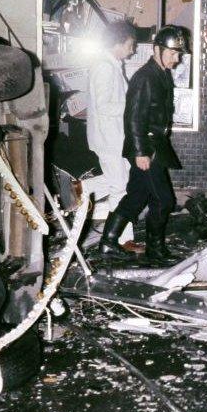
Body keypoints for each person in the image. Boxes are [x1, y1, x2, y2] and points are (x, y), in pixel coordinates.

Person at [98, 25, 190, 264]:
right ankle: (155, 249)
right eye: (173, 53)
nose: (177, 59)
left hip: (153, 145)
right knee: (163, 200)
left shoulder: (160, 74)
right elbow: (134, 117)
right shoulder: (145, 77)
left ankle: (108, 241)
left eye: (179, 54)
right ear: (158, 50)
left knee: (137, 196)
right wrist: (140, 152)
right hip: (146, 147)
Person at [87, 21, 137, 251]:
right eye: (130, 44)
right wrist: (132, 106)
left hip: (115, 138)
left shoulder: (112, 65)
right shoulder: (105, 67)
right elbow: (104, 106)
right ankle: (119, 240)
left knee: (121, 186)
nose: (133, 49)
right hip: (110, 139)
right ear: (119, 41)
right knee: (121, 188)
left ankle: (123, 238)